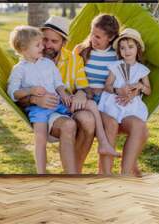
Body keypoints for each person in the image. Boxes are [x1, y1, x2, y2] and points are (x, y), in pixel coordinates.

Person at [15, 16, 98, 173]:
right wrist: (34, 99)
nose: (47, 46)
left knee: (88, 120)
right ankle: (71, 175)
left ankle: (74, 171)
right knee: (68, 125)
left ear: (63, 43)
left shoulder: (74, 60)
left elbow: (85, 88)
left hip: (68, 107)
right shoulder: (27, 60)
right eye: (45, 40)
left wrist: (81, 93)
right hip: (45, 113)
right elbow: (16, 97)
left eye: (54, 41)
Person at [7, 25, 73, 174]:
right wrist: (30, 91)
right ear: (24, 49)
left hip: (56, 103)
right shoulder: (19, 69)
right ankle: (41, 173)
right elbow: (13, 93)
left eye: (41, 44)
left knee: (79, 115)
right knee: (40, 141)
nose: (43, 47)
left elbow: (58, 83)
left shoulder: (48, 63)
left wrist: (64, 94)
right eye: (38, 45)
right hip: (38, 110)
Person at [99, 28, 151, 176]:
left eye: (130, 47)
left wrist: (140, 86)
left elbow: (148, 90)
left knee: (140, 126)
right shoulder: (115, 66)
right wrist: (118, 90)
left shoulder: (142, 70)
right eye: (122, 48)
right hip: (113, 104)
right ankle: (106, 172)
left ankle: (126, 172)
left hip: (130, 108)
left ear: (138, 49)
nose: (126, 51)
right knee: (112, 125)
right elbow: (107, 86)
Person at [74, 14, 123, 172]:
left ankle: (104, 173)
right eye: (92, 33)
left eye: (98, 37)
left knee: (112, 123)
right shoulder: (81, 51)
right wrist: (83, 90)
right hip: (84, 99)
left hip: (105, 101)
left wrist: (103, 89)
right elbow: (71, 76)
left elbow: (118, 80)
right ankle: (75, 171)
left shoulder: (116, 56)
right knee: (89, 123)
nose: (93, 39)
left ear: (111, 37)